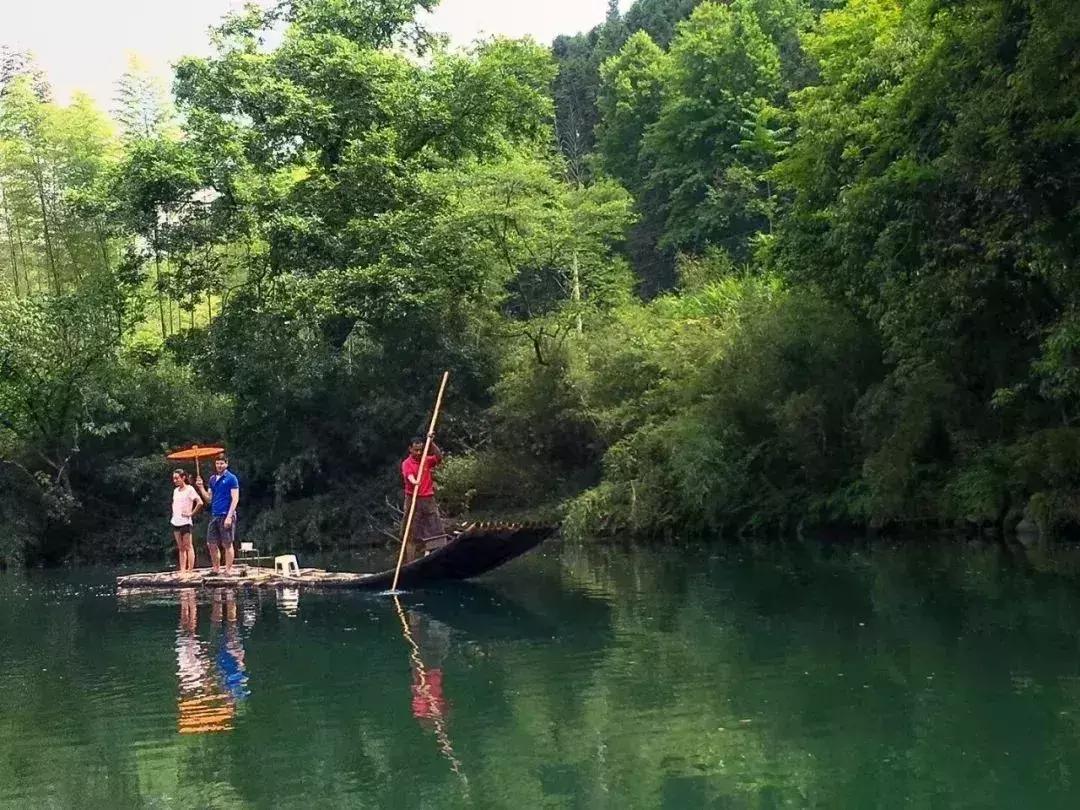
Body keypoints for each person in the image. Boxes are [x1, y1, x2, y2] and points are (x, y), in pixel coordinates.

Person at [401, 435, 444, 563]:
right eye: (416, 450)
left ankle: (434, 559)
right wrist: (415, 482)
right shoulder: (406, 463)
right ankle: (410, 563)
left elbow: (438, 458)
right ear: (410, 449)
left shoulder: (426, 459)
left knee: (435, 529)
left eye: (421, 449)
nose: (419, 453)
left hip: (428, 499)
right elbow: (409, 476)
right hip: (413, 499)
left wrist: (431, 442)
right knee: (411, 532)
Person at [195, 454, 240, 575]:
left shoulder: (231, 478)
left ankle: (228, 569)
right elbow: (209, 499)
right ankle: (216, 568)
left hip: (226, 514)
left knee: (227, 543)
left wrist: (229, 516)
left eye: (222, 463)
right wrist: (200, 488)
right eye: (217, 463)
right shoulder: (212, 479)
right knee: (211, 543)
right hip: (215, 514)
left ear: (226, 464)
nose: (219, 466)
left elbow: (235, 498)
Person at [170, 469, 202, 572]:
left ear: (183, 478)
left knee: (188, 546)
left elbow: (200, 502)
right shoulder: (175, 491)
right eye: (174, 478)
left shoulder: (189, 489)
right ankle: (182, 569)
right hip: (176, 521)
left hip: (185, 521)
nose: (175, 480)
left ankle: (190, 569)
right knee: (180, 547)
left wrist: (191, 513)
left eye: (177, 478)